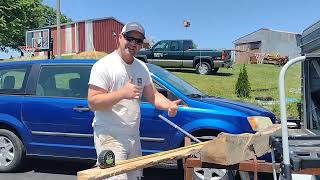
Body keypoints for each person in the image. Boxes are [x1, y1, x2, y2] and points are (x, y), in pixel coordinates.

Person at [87, 22, 181, 180]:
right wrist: (122, 93)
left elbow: (153, 96)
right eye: (129, 38)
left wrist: (168, 105)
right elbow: (93, 102)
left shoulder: (141, 67)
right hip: (110, 137)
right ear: (120, 37)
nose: (133, 44)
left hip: (133, 136)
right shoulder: (103, 66)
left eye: (138, 41)